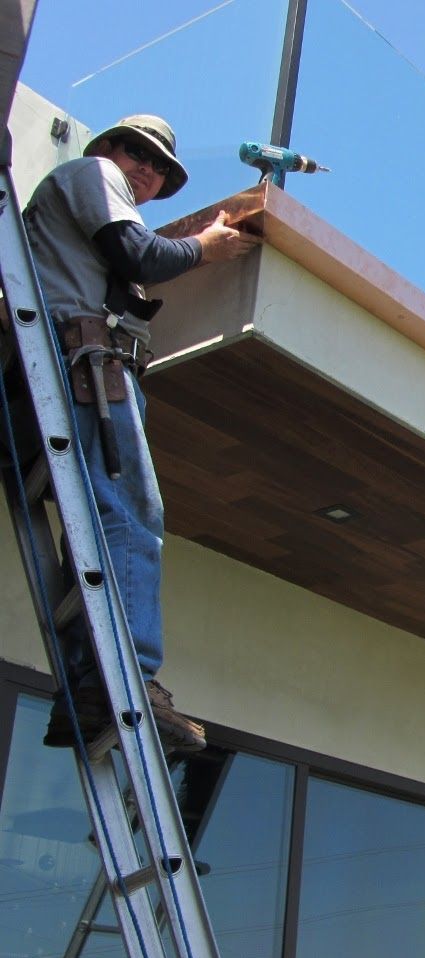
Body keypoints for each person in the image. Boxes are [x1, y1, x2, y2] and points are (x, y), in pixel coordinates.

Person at [22, 114, 257, 751]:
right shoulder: (93, 173)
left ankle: (89, 692)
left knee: (98, 527)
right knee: (131, 514)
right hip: (84, 367)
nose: (146, 170)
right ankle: (130, 680)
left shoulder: (88, 211)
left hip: (79, 368)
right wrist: (206, 246)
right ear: (107, 147)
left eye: (160, 169)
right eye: (137, 153)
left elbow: (133, 260)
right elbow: (139, 253)